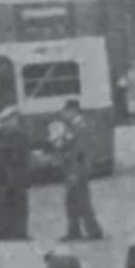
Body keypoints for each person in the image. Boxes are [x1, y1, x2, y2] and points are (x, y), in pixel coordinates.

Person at [56, 100, 104, 241]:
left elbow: (80, 152)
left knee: (81, 201)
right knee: (72, 201)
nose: (63, 114)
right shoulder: (72, 127)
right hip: (73, 169)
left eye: (66, 111)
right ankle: (75, 230)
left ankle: (93, 230)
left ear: (73, 111)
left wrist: (75, 172)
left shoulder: (79, 127)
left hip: (77, 170)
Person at [0, 106, 30, 240]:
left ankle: (16, 231)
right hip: (7, 174)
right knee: (7, 204)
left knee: (17, 204)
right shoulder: (0, 134)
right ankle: (9, 231)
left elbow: (23, 155)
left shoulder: (18, 134)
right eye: (11, 119)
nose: (14, 122)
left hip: (15, 174)